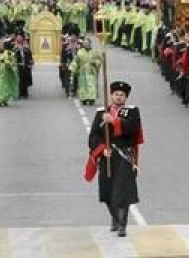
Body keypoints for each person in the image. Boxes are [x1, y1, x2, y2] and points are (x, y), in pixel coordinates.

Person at [84, 81, 144, 238]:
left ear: (126, 97)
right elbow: (94, 136)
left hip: (124, 156)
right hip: (107, 156)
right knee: (107, 191)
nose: (118, 97)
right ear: (111, 95)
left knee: (122, 191)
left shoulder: (132, 112)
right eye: (116, 94)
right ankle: (115, 218)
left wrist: (115, 121)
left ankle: (122, 225)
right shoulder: (101, 113)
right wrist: (102, 149)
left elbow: (133, 129)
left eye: (122, 95)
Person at [69, 38, 102, 105]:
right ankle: (83, 98)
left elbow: (100, 60)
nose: (86, 44)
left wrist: (96, 63)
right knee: (82, 86)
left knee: (91, 84)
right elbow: (76, 61)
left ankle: (91, 98)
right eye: (85, 43)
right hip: (82, 72)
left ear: (90, 43)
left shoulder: (95, 51)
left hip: (91, 71)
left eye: (87, 43)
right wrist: (73, 69)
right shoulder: (80, 52)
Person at [14, 33, 34, 99]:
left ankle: (25, 93)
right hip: (18, 65)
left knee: (25, 79)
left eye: (20, 37)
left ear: (22, 38)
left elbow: (29, 55)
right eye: (18, 37)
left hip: (25, 65)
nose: (19, 38)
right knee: (19, 80)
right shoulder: (14, 46)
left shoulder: (26, 47)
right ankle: (19, 93)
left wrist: (31, 63)